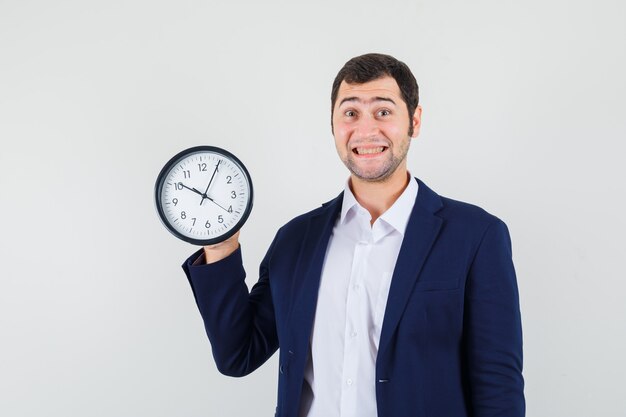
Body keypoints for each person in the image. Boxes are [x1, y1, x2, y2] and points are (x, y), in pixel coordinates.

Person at [182, 53, 525, 417]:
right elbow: (239, 354)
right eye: (350, 113)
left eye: (383, 111)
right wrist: (221, 245)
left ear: (415, 120)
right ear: (333, 125)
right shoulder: (296, 239)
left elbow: (497, 386)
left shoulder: (476, 236)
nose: (365, 130)